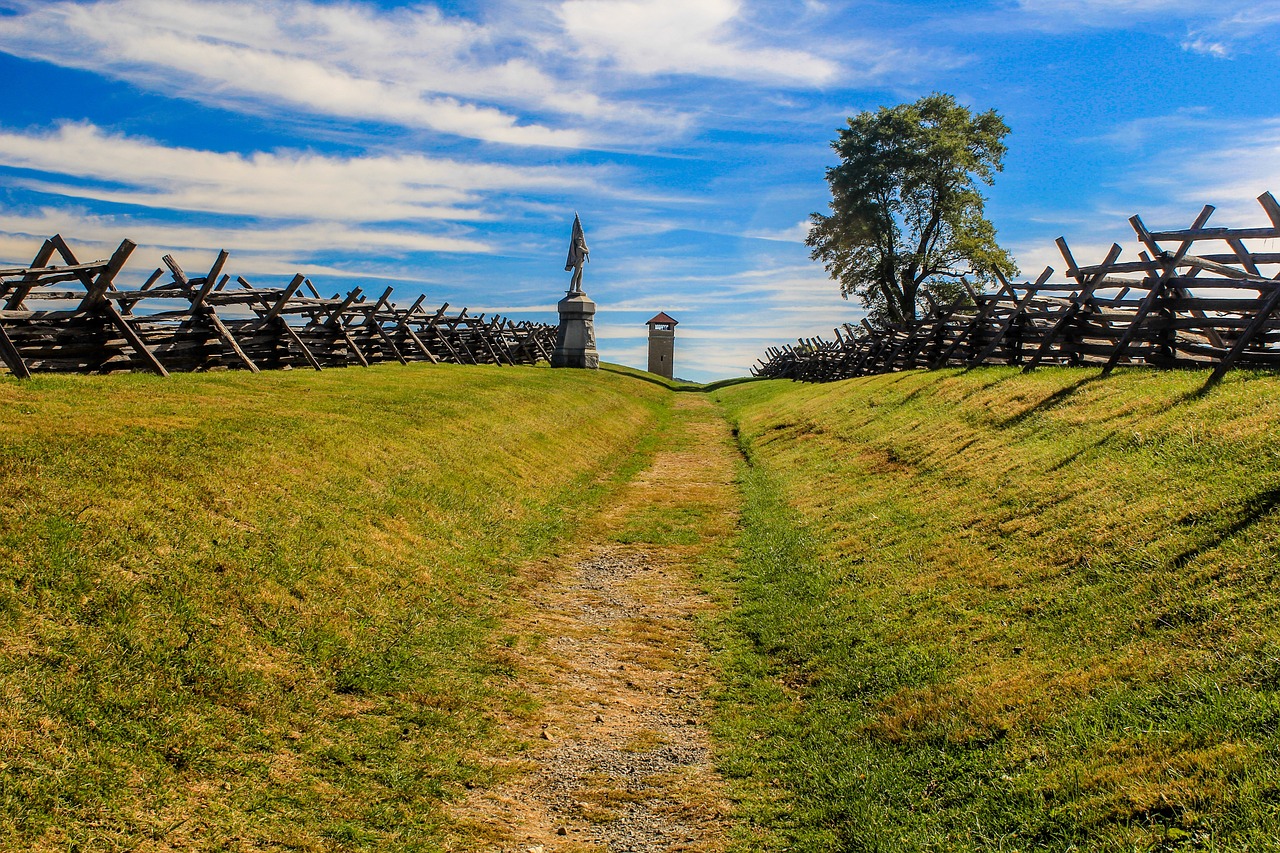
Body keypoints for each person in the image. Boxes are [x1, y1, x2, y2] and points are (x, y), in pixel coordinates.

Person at [565, 214, 589, 293]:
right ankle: (572, 288)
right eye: (579, 241)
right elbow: (586, 251)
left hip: (581, 262)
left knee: (580, 276)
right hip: (578, 261)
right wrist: (586, 248)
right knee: (576, 275)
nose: (580, 242)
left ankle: (578, 288)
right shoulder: (579, 248)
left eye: (581, 241)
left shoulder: (580, 247)